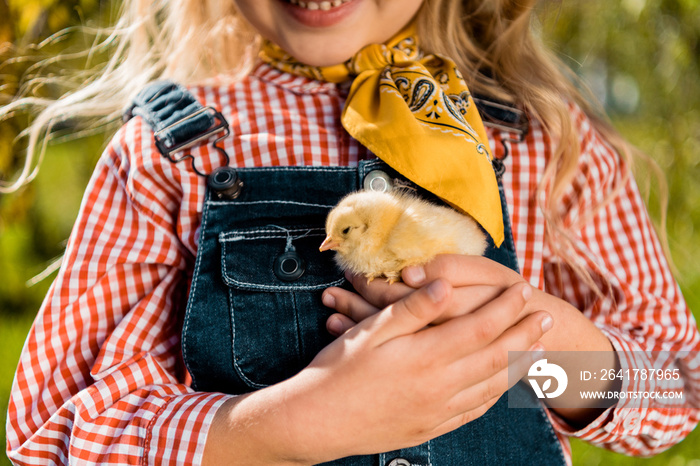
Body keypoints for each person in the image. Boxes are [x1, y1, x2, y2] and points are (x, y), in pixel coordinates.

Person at [4, 0, 699, 464]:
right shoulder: (180, 151)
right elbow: (51, 429)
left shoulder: (537, 144)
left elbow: (675, 389)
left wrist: (529, 345)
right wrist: (291, 424)